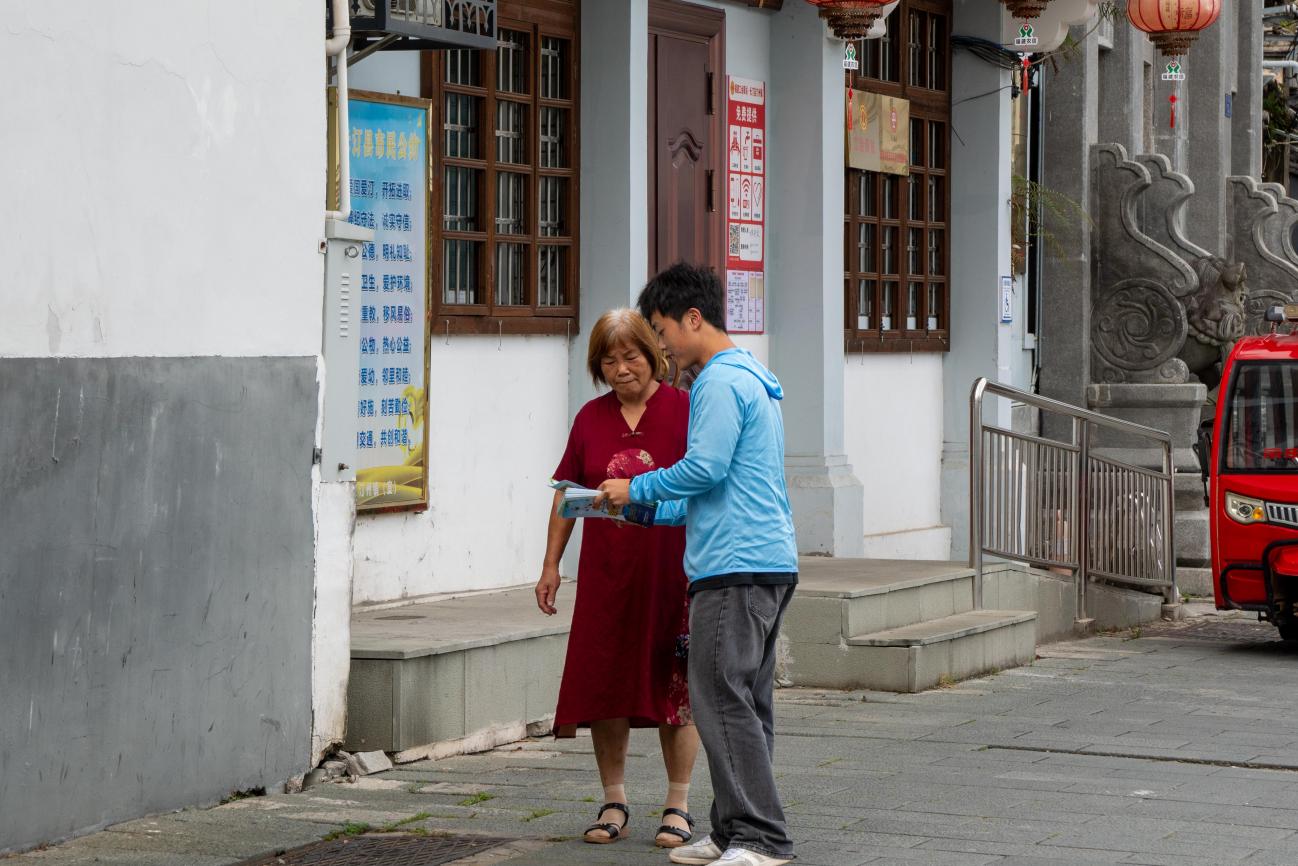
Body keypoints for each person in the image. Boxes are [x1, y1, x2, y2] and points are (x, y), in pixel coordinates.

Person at [595, 263, 798, 866]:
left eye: (661, 331)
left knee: (720, 701)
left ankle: (761, 838)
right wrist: (643, 512)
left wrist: (636, 486)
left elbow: (704, 468)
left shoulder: (718, 382)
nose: (662, 347)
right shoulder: (751, 376)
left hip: (734, 566)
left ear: (692, 318)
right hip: (763, 560)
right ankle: (734, 830)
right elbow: (715, 488)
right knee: (745, 702)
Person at [536, 308, 702, 849]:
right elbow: (566, 493)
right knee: (605, 683)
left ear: (652, 356)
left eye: (630, 356)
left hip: (671, 571)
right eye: (609, 361)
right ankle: (614, 799)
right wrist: (550, 565)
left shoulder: (686, 409)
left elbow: (706, 483)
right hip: (605, 574)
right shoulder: (590, 417)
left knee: (676, 686)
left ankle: (678, 804)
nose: (621, 369)